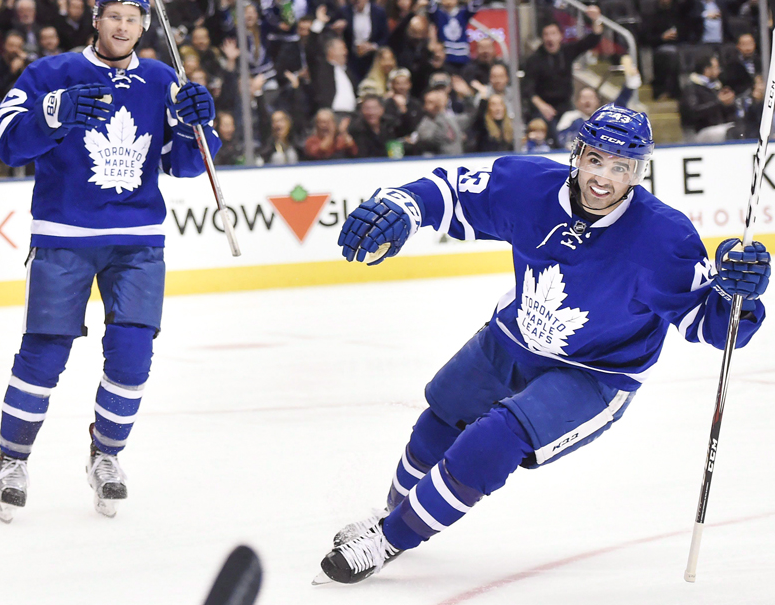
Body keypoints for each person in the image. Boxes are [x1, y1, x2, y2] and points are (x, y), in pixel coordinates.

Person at [317, 106, 769, 585]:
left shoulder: (663, 237)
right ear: (577, 155)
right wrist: (405, 208)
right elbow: (450, 189)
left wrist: (737, 293)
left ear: (639, 172)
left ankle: (389, 540)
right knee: (443, 413)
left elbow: (716, 327)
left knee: (495, 437)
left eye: (622, 167)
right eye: (597, 160)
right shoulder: (529, 188)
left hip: (596, 374)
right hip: (514, 337)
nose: (605, 178)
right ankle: (390, 515)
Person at [0, 0, 220, 521]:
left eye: (132, 18)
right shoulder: (51, 73)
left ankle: (106, 456)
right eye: (112, 15)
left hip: (137, 241)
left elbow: (186, 166)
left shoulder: (162, 79)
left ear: (144, 25)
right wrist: (54, 112)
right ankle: (10, 461)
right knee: (44, 354)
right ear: (95, 18)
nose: (121, 26)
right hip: (65, 235)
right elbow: (6, 143)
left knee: (134, 358)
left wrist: (195, 122)